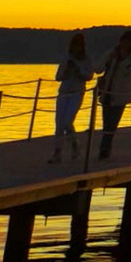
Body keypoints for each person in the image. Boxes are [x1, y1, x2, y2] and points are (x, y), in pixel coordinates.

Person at [94, 30, 131, 160]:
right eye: (123, 41)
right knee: (106, 122)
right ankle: (104, 149)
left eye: (128, 41)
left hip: (121, 94)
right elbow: (98, 68)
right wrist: (108, 58)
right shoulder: (112, 53)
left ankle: (104, 149)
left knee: (112, 123)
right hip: (107, 92)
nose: (125, 44)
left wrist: (125, 58)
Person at [47, 33, 93, 164]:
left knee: (68, 121)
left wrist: (79, 71)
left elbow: (89, 75)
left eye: (78, 46)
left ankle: (75, 144)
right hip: (64, 92)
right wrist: (66, 71)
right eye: (74, 45)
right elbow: (58, 77)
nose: (76, 48)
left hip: (77, 93)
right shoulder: (66, 58)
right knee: (59, 124)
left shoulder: (86, 59)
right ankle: (57, 153)